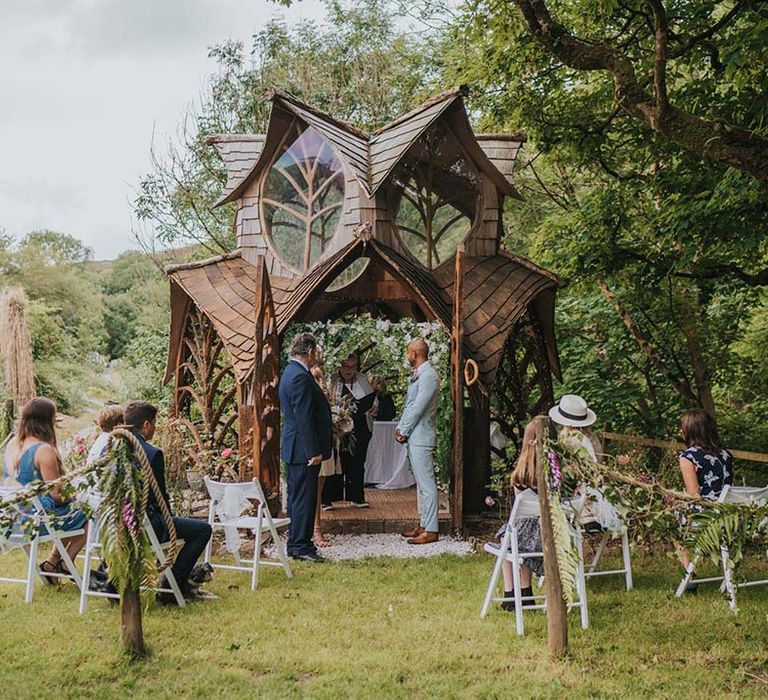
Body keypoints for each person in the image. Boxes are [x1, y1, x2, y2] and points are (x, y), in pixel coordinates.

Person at [124, 401, 213, 602]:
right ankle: (171, 588)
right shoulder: (152, 453)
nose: (154, 428)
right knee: (203, 530)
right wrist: (170, 522)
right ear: (146, 424)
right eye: (154, 423)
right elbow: (160, 497)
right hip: (146, 524)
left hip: (119, 524)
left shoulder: (112, 449)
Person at [2, 397, 88, 584]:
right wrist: (76, 495)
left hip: (13, 517)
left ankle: (51, 564)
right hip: (35, 519)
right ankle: (65, 564)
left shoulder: (13, 444)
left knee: (75, 510)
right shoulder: (43, 450)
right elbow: (57, 494)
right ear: (47, 421)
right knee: (89, 511)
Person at [279, 332, 333, 563]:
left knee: (297, 496)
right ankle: (301, 545)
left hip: (295, 445)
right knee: (304, 497)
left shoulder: (289, 372)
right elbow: (303, 417)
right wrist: (313, 450)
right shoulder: (300, 377)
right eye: (315, 353)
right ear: (310, 352)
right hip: (303, 448)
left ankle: (296, 542)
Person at [676, 409, 734, 580]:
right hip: (730, 516)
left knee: (672, 520)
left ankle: (690, 576)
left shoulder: (688, 457)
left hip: (707, 519)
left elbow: (694, 495)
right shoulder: (726, 455)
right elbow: (729, 488)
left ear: (689, 431)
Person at [396, 338, 440, 544]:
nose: (407, 356)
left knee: (427, 484)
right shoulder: (420, 375)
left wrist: (404, 429)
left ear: (415, 353)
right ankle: (424, 524)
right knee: (421, 486)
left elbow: (418, 407)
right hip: (415, 435)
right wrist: (400, 427)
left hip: (422, 435)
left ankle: (431, 529)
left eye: (408, 352)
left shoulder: (429, 376)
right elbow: (410, 405)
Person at [499, 420, 542, 611]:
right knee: (523, 543)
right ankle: (526, 593)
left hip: (530, 537)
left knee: (508, 541)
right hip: (554, 535)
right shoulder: (556, 472)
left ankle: (510, 594)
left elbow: (520, 510)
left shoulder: (521, 474)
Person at [324, 353, 376, 509]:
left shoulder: (362, 379)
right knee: (335, 462)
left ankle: (357, 497)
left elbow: (373, 400)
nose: (349, 370)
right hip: (338, 428)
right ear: (340, 365)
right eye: (346, 366)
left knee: (358, 462)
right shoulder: (332, 379)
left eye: (353, 367)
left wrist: (375, 407)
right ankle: (329, 498)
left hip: (360, 427)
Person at [310, 361, 339, 548]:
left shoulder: (324, 385)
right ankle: (315, 530)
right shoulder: (306, 382)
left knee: (319, 488)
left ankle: (315, 528)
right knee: (313, 490)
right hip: (314, 443)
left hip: (325, 441)